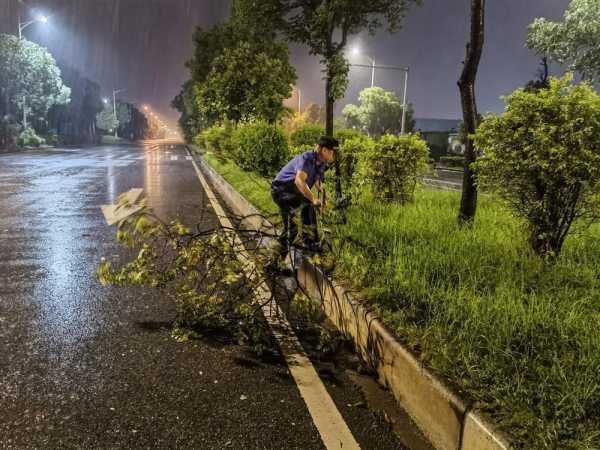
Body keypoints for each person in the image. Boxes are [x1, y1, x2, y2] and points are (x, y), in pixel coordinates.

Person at [269, 136, 338, 268]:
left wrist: (326, 200)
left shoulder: (321, 163)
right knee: (292, 228)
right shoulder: (306, 159)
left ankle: (311, 245)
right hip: (282, 190)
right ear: (324, 150)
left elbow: (318, 184)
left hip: (295, 192)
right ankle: (272, 262)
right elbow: (299, 181)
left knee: (309, 209)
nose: (333, 155)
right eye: (332, 151)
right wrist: (313, 198)